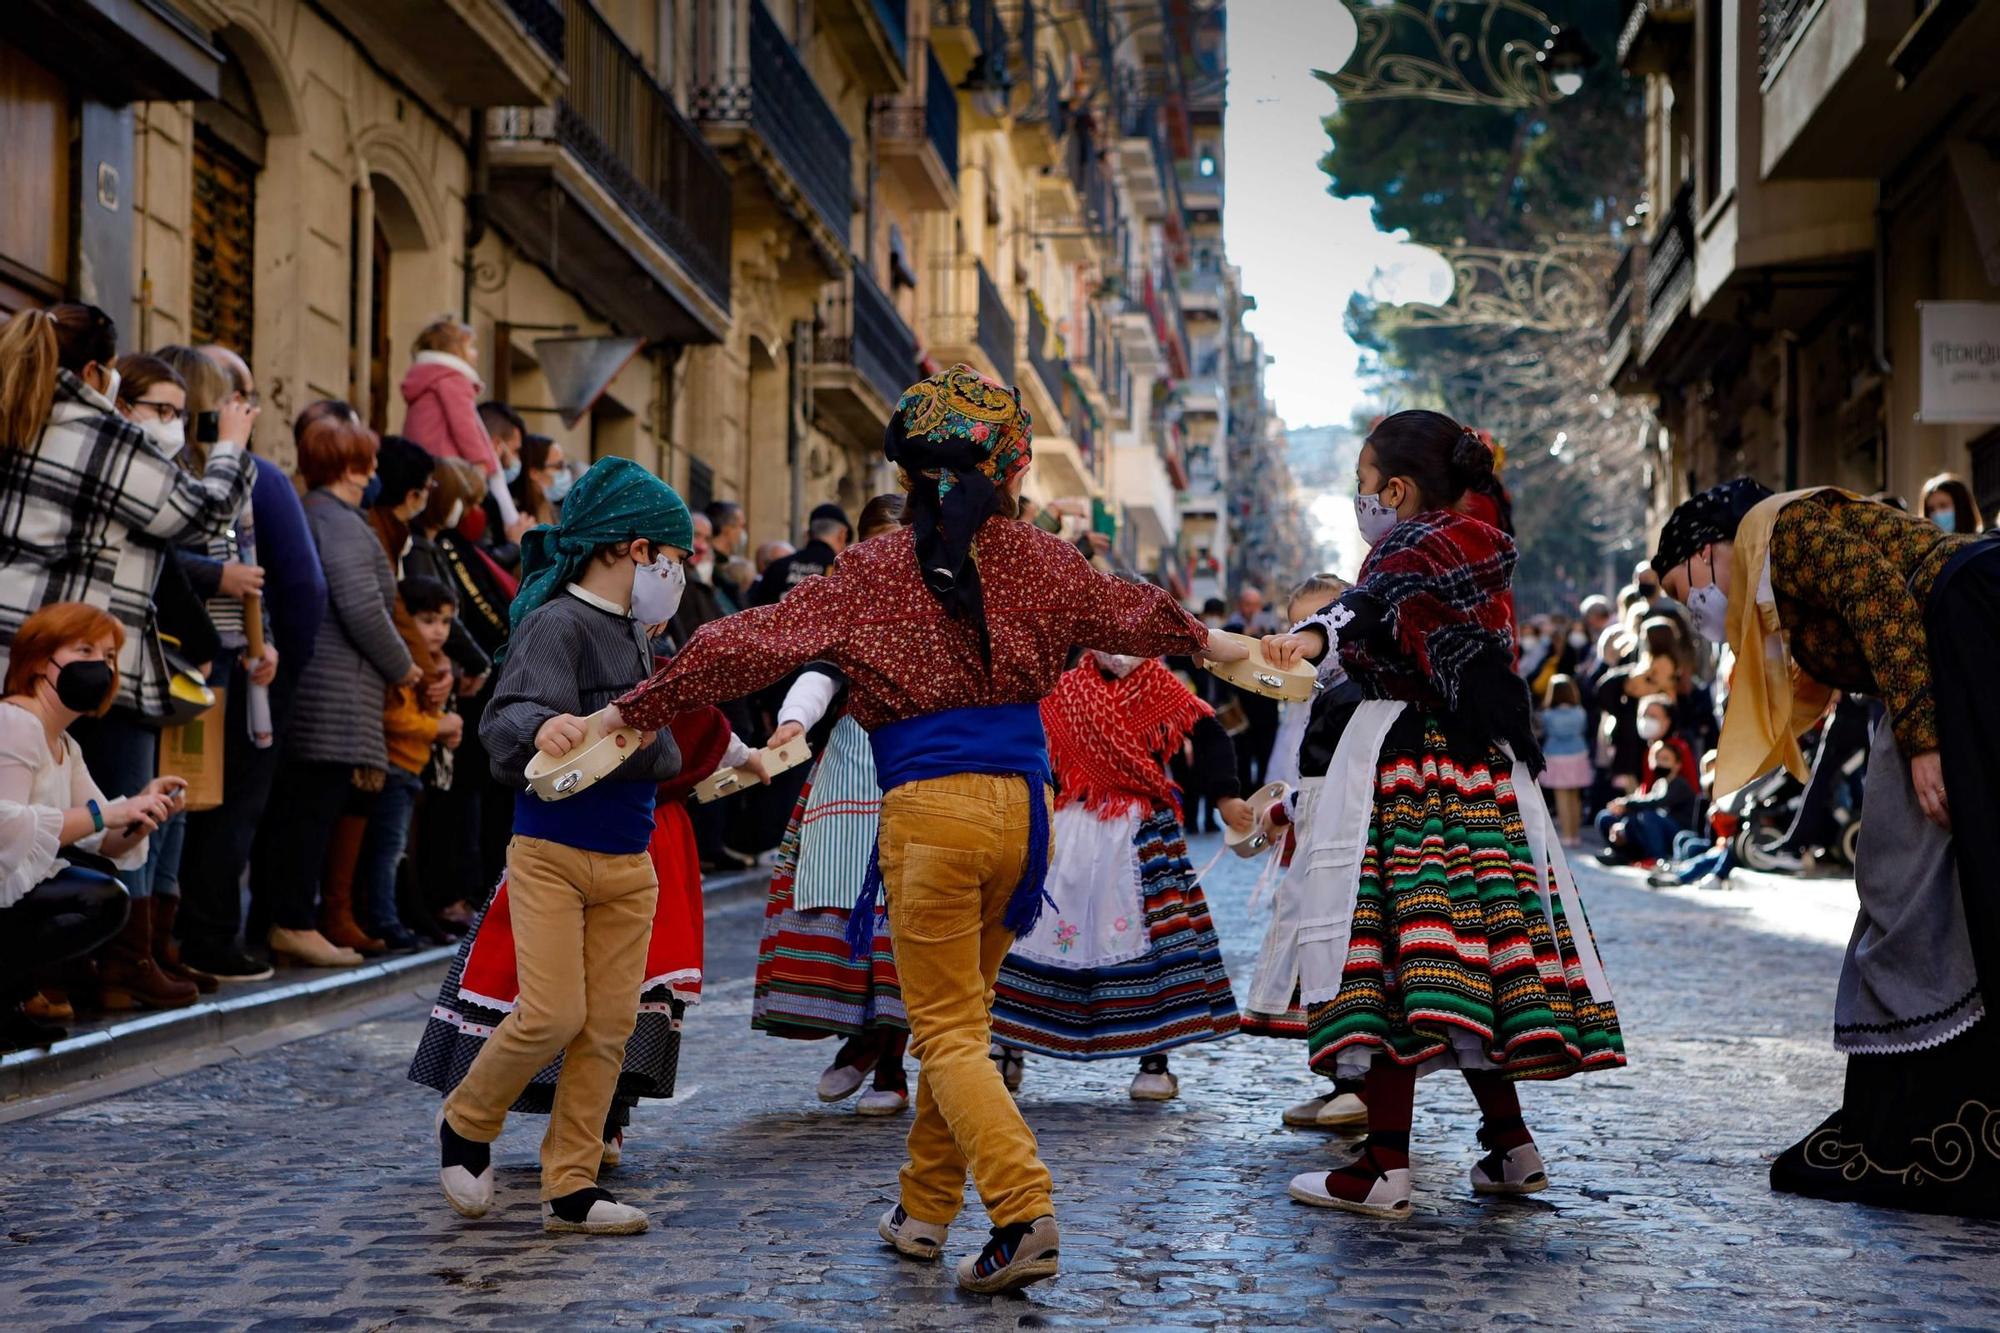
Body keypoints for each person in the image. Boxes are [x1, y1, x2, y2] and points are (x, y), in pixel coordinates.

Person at [606, 365, 1235, 1293]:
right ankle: (924, 1209)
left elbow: (743, 643)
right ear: (1013, 472)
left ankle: (1022, 1211)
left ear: (907, 475)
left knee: (943, 1030)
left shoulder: (868, 570)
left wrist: (629, 707)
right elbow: (1143, 613)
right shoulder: (1044, 560)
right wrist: (1247, 652)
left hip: (931, 812)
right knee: (965, 1023)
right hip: (1026, 812)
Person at [1261, 409, 1623, 1220]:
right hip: (1482, 774)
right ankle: (1510, 1145)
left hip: (1411, 770)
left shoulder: (1410, 545)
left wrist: (1309, 638)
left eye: (1363, 486)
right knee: (1476, 958)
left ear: (1395, 487)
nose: (1361, 502)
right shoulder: (1479, 547)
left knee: (1393, 946)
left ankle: (1383, 1164)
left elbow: (1368, 607)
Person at [1653, 478, 2000, 1216]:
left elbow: (1882, 596)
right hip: (1952, 648)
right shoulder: (1777, 576)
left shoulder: (1782, 531)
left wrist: (1924, 743)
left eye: (1687, 588)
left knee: (1931, 880)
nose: (1695, 611)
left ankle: (1934, 1122)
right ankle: (1929, 1119)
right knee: (1931, 881)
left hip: (1970, 625)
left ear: (1711, 549)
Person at [433, 456, 695, 1238]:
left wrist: (633, 728)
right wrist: (542, 726)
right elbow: (506, 720)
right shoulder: (558, 623)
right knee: (551, 1013)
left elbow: (669, 756)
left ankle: (570, 1185)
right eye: (667, 553)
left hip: (627, 859)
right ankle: (468, 1120)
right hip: (551, 851)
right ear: (628, 548)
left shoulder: (637, 635)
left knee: (608, 1026)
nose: (674, 570)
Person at [0, 304, 257, 1003]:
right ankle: (81, 967)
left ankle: (54, 977)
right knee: (64, 809)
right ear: (96, 372)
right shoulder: (94, 429)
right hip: (69, 649)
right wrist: (232, 446)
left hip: (22, 642)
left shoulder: (19, 414)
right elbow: (200, 515)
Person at [411, 704, 746, 1169]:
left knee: (619, 1007)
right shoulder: (560, 635)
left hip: (643, 835)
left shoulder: (655, 651)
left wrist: (745, 748)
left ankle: (582, 1160)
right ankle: (471, 1116)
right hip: (560, 832)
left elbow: (696, 706)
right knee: (547, 1000)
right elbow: (511, 711)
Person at [987, 648, 1247, 1100]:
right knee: (1032, 931)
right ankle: (1009, 1043)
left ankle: (1155, 1058)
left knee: (1158, 937)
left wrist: (1226, 797)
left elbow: (1209, 736)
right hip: (1067, 823)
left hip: (1141, 828)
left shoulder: (1166, 691)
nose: (1119, 652)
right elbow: (1026, 745)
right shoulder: (1062, 690)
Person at [750, 496, 912, 1115]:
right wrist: (794, 721)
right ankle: (860, 1038)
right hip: (851, 769)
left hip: (921, 766)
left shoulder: (948, 605)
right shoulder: (851, 607)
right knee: (845, 909)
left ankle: (890, 1062)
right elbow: (822, 671)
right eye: (875, 543)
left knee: (907, 918)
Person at [177, 372, 328, 981]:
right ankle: (204, 937)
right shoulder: (251, 474)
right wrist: (284, 658)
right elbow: (302, 583)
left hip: (188, 658)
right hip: (238, 667)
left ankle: (169, 939)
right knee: (226, 804)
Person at [268, 410, 418, 968]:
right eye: (366, 462)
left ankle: (297, 918)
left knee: (306, 811)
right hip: (335, 694)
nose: (373, 473)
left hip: (324, 688)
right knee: (311, 812)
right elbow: (362, 606)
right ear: (350, 467)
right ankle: (294, 921)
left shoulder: (320, 514)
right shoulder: (339, 521)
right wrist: (405, 668)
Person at [0, 604, 183, 1048]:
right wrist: (107, 815)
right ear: (42, 660)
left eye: (109, 657)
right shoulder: (16, 721)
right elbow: (4, 826)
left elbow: (107, 841)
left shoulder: (65, 743)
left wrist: (144, 811)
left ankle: (9, 1000)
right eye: (85, 650)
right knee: (96, 897)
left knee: (102, 888)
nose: (101, 666)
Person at [1242, 573, 1371, 1134]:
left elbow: (1345, 780)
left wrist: (1293, 806)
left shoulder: (1364, 689)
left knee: (1346, 959)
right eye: (1300, 625)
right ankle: (1339, 1079)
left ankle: (1363, 1084)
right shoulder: (1307, 690)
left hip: (1353, 852)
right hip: (1311, 843)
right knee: (1310, 956)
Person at [359, 576, 465, 950]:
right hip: (392, 764)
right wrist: (438, 727)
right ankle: (383, 920)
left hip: (412, 767)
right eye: (428, 620)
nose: (438, 631)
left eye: (446, 622)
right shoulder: (401, 661)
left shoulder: (436, 664)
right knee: (386, 851)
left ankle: (394, 917)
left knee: (397, 849)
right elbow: (395, 717)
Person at [399, 316, 524, 540]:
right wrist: (482, 465)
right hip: (449, 473)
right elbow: (465, 428)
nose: (475, 353)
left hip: (427, 466)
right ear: (456, 350)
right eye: (470, 346)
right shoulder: (451, 379)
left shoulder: (427, 378)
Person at [1596, 740, 1698, 864]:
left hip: (1676, 834)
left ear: (1677, 764)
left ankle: (1658, 859)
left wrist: (1626, 803)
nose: (1660, 763)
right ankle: (1623, 855)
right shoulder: (1659, 783)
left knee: (1647, 815)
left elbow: (1657, 802)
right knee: (1606, 816)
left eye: (1665, 759)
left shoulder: (1680, 784)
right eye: (1656, 758)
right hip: (1654, 829)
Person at [1224, 586, 1281, 795]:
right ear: (1241, 606)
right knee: (1242, 755)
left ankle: (1263, 793)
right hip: (1242, 703)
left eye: (1255, 605)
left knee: (1267, 754)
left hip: (1266, 701)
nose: (1252, 610)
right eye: (1248, 604)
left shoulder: (1269, 628)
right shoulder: (1231, 627)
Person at [750, 503, 849, 605]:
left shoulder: (777, 567)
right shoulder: (842, 572)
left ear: (809, 533)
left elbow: (756, 610)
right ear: (842, 535)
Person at [1539, 675, 1590, 846]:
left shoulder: (1548, 715)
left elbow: (1545, 731)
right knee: (1575, 797)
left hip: (1556, 755)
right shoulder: (1580, 713)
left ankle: (1567, 835)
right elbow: (1583, 729)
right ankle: (1575, 834)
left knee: (1561, 797)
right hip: (1578, 753)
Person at [511, 433, 570, 528]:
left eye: (564, 465)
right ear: (534, 473)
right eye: (559, 466)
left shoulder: (562, 512)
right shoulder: (518, 519)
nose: (565, 471)